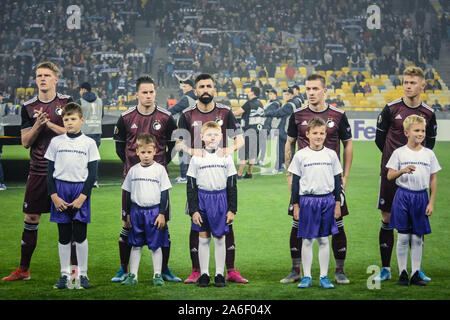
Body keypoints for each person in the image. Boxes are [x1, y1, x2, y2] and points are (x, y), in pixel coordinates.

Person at [3, 61, 72, 282]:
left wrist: (49, 124)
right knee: (31, 218)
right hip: (38, 170)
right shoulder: (27, 107)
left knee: (67, 220)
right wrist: (37, 125)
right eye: (39, 75)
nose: (42, 79)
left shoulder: (67, 102)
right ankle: (24, 270)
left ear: (55, 79)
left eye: (46, 75)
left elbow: (73, 134)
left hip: (64, 171)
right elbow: (25, 142)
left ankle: (72, 270)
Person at [175, 73, 246, 284]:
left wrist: (229, 148)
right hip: (198, 177)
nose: (205, 89)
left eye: (209, 86)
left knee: (226, 224)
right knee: (196, 223)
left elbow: (240, 139)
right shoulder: (186, 115)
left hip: (220, 179)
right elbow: (178, 143)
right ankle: (197, 270)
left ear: (214, 90)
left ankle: (230, 270)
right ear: (195, 91)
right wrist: (192, 150)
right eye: (201, 86)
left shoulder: (225, 112)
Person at [284, 74, 353, 285]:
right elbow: (290, 143)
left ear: (325, 91)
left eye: (315, 88)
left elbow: (348, 144)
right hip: (305, 183)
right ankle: (297, 269)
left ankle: (339, 270)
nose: (311, 92)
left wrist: (345, 176)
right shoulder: (296, 115)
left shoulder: (338, 115)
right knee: (298, 224)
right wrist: (289, 173)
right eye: (308, 89)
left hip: (330, 180)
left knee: (337, 223)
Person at [111, 76, 180, 283]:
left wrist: (160, 165)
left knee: (162, 225)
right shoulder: (125, 118)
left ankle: (164, 270)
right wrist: (134, 168)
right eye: (144, 92)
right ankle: (124, 269)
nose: (148, 95)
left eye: (151, 92)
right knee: (127, 224)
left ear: (154, 93)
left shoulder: (166, 118)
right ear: (137, 94)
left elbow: (174, 146)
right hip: (132, 180)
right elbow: (119, 147)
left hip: (158, 181)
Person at [374, 66, 437, 282]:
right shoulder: (391, 109)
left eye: (412, 82)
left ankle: (415, 270)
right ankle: (386, 268)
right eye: (406, 82)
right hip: (392, 174)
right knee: (387, 217)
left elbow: (431, 144)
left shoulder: (429, 113)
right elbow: (379, 140)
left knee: (416, 218)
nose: (408, 86)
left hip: (416, 177)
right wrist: (397, 160)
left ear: (422, 85)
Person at [45, 102, 100, 289]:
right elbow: (49, 172)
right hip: (60, 190)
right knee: (63, 235)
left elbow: (92, 174)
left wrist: (83, 197)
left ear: (81, 120)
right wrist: (54, 195)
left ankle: (82, 275)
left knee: (80, 234)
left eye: (73, 119)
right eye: (66, 119)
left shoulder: (89, 143)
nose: (69, 122)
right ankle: (65, 276)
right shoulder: (56, 142)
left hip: (79, 191)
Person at [386, 115, 440, 286]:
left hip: (421, 197)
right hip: (403, 196)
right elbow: (389, 175)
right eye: (417, 130)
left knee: (417, 238)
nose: (421, 133)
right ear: (406, 132)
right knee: (402, 237)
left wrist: (431, 202)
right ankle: (403, 272)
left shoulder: (429, 154)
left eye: (423, 130)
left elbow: (433, 179)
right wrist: (402, 171)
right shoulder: (399, 152)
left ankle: (416, 273)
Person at [288, 117, 342, 289]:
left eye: (322, 133)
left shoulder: (331, 155)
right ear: (308, 134)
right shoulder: (301, 155)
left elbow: (337, 181)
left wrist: (338, 203)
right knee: (308, 240)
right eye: (315, 133)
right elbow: (295, 182)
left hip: (327, 200)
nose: (318, 136)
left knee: (324, 240)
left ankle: (324, 276)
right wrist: (296, 204)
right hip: (308, 201)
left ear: (326, 135)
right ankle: (307, 276)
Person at [187, 121, 238, 287]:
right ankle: (204, 274)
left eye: (215, 134)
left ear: (221, 137)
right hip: (202, 199)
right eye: (208, 135)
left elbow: (232, 184)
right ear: (201, 137)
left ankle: (219, 274)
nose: (212, 137)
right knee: (203, 238)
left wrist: (232, 209)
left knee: (220, 238)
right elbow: (191, 186)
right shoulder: (196, 158)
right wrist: (193, 210)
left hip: (220, 200)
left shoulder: (226, 157)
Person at [120, 134, 172, 287]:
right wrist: (127, 214)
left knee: (156, 245)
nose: (146, 155)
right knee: (135, 245)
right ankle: (133, 275)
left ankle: (157, 275)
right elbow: (127, 194)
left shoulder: (160, 170)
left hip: (154, 212)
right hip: (136, 212)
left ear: (155, 151)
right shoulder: (133, 171)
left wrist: (162, 213)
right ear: (137, 152)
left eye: (149, 152)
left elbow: (164, 194)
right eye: (143, 152)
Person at [168, 79, 197, 183]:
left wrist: (161, 114)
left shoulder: (186, 99)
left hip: (184, 129)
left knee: (182, 151)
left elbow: (173, 110)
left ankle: (184, 176)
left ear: (190, 87)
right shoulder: (198, 98)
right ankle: (193, 175)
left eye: (184, 86)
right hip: (195, 129)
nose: (183, 88)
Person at [264, 88, 298, 174]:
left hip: (285, 129)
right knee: (286, 148)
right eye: (284, 94)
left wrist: (266, 113)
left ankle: (277, 168)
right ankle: (283, 164)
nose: (285, 96)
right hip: (290, 129)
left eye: (286, 94)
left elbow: (279, 112)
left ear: (291, 95)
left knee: (280, 149)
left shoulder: (289, 104)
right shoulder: (295, 103)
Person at [233, 86, 264, 179]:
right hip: (258, 132)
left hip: (249, 132)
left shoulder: (249, 103)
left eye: (249, 91)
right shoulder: (260, 104)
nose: (248, 92)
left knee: (244, 153)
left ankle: (239, 174)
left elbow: (238, 113)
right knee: (253, 153)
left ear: (252, 93)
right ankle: (249, 173)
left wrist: (227, 113)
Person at [77, 82, 103, 188]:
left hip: (84, 132)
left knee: (81, 157)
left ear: (83, 90)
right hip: (96, 132)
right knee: (94, 158)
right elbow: (102, 115)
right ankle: (94, 181)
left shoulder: (79, 101)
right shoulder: (100, 101)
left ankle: (81, 179)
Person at [259, 89, 282, 171]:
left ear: (275, 95)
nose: (270, 95)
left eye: (271, 94)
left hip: (269, 124)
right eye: (269, 94)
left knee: (264, 141)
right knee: (262, 141)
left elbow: (268, 112)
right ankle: (261, 158)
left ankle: (262, 159)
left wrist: (263, 113)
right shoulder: (269, 102)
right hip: (265, 123)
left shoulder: (276, 103)